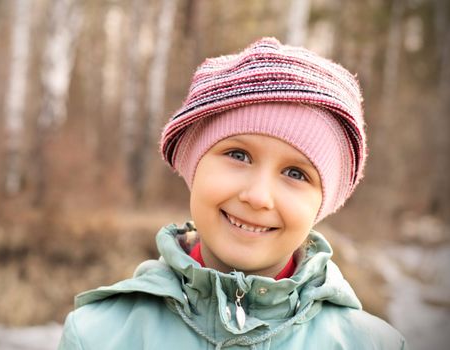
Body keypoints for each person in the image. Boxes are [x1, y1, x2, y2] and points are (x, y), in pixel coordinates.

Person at [58, 37, 408, 349]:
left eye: (295, 173)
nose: (258, 197)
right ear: (194, 165)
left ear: (323, 203)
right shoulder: (98, 336)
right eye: (238, 155)